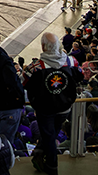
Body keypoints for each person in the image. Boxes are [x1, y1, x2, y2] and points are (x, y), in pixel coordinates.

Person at [25, 33, 82, 175]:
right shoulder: (71, 61)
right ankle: (39, 152)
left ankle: (52, 166)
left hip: (45, 108)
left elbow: (24, 82)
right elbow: (79, 75)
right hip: (65, 106)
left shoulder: (35, 67)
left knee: (49, 136)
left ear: (43, 46)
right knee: (52, 134)